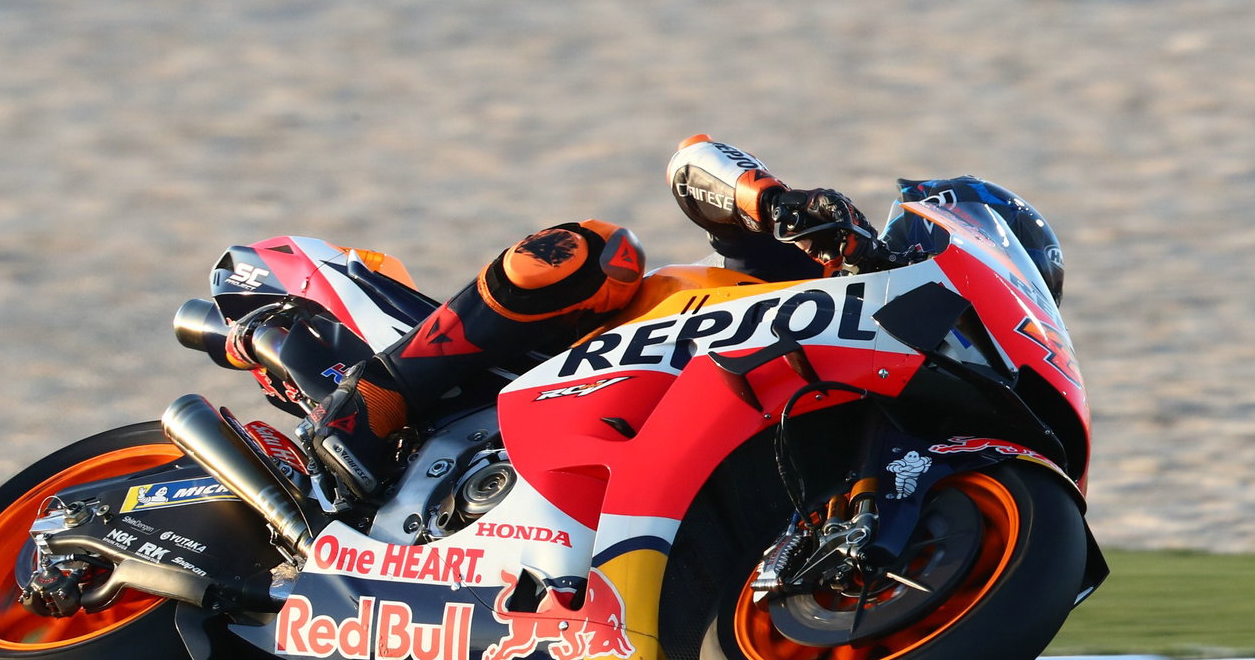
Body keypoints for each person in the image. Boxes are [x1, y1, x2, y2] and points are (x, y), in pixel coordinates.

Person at [301, 134, 890, 500]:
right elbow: (694, 161)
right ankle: (382, 391)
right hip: (573, 360)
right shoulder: (827, 268)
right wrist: (777, 203)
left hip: (654, 462)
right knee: (601, 251)